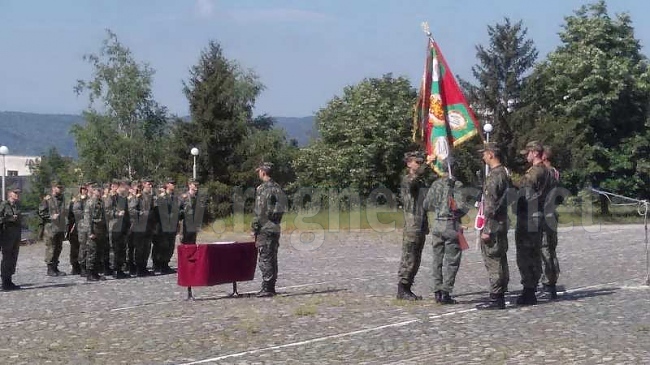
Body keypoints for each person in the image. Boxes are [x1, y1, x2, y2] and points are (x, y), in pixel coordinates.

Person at [423, 158, 469, 304]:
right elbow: (460, 206)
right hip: (450, 224)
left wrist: (439, 208)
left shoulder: (435, 184)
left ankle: (437, 290)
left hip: (437, 224)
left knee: (437, 259)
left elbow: (426, 204)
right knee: (452, 261)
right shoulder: (457, 185)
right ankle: (446, 292)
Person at [514, 141, 554, 305]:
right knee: (535, 253)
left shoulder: (535, 172)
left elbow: (524, 191)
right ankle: (532, 287)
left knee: (525, 254)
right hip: (540, 214)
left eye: (528, 153)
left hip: (529, 216)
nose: (526, 156)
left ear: (534, 153)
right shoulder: (549, 172)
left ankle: (528, 290)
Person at [476, 142, 512, 310]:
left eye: (484, 154)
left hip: (494, 224)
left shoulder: (494, 176)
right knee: (501, 258)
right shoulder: (505, 173)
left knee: (493, 260)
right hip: (502, 222)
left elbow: (490, 205)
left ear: (491, 154)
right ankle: (501, 293)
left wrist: (487, 229)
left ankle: (496, 298)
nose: (483, 157)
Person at [396, 151, 431, 300]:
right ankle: (402, 288)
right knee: (409, 257)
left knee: (416, 258)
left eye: (421, 161)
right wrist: (427, 165)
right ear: (409, 163)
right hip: (412, 225)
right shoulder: (408, 179)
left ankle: (408, 287)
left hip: (420, 224)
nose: (420, 164)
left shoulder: (420, 180)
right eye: (417, 162)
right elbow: (412, 182)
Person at [251, 162, 286, 297]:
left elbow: (260, 211)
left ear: (263, 172)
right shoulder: (278, 188)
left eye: (259, 171)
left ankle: (267, 288)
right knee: (272, 257)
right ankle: (271, 286)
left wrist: (254, 228)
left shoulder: (263, 189)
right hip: (275, 227)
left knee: (265, 258)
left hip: (265, 228)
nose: (258, 173)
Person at [540, 145, 561, 299]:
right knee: (550, 249)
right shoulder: (554, 172)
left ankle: (549, 284)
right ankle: (550, 282)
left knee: (546, 249)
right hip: (551, 214)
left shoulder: (548, 173)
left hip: (546, 215)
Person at [38, 181, 68, 277]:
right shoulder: (48, 199)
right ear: (53, 188)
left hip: (60, 227)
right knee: (51, 247)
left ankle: (55, 267)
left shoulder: (62, 198)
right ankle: (50, 268)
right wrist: (51, 216)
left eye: (61, 187)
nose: (60, 189)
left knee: (58, 247)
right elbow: (41, 212)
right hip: (50, 227)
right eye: (58, 187)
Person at [129, 178, 155, 277]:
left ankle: (144, 267)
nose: (150, 186)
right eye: (149, 184)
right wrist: (141, 213)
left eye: (151, 184)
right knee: (139, 248)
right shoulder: (138, 196)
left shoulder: (151, 196)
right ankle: (139, 268)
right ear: (144, 184)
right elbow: (131, 210)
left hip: (148, 226)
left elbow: (153, 210)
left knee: (147, 247)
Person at [153, 179, 178, 274]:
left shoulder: (174, 197)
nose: (173, 185)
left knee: (170, 246)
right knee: (162, 246)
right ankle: (158, 264)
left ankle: (165, 264)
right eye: (172, 183)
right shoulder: (161, 197)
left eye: (174, 183)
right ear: (167, 185)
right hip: (162, 226)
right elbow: (157, 211)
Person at [84, 183, 108, 281]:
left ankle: (96, 272)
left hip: (100, 229)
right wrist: (90, 232)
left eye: (100, 190)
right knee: (92, 252)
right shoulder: (90, 202)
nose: (100, 191)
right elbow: (88, 218)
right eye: (98, 190)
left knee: (99, 252)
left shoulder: (100, 202)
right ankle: (90, 273)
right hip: (94, 228)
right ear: (93, 191)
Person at [0, 188, 23, 290]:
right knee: (7, 258)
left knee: (14, 257)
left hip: (16, 235)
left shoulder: (18, 205)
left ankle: (9, 279)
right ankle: (5, 281)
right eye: (15, 193)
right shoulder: (4, 205)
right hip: (7, 235)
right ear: (10, 194)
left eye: (18, 193)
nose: (17, 194)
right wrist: (9, 218)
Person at [70, 183, 91, 276]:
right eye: (83, 189)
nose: (85, 190)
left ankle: (88, 266)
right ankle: (80, 266)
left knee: (88, 247)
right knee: (81, 247)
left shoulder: (90, 200)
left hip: (89, 226)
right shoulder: (77, 201)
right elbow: (76, 213)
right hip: (80, 226)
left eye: (86, 189)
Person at [179, 179, 201, 244]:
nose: (196, 186)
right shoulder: (184, 197)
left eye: (197, 185)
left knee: (193, 246)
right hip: (185, 226)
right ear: (190, 185)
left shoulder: (197, 198)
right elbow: (178, 211)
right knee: (185, 246)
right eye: (194, 184)